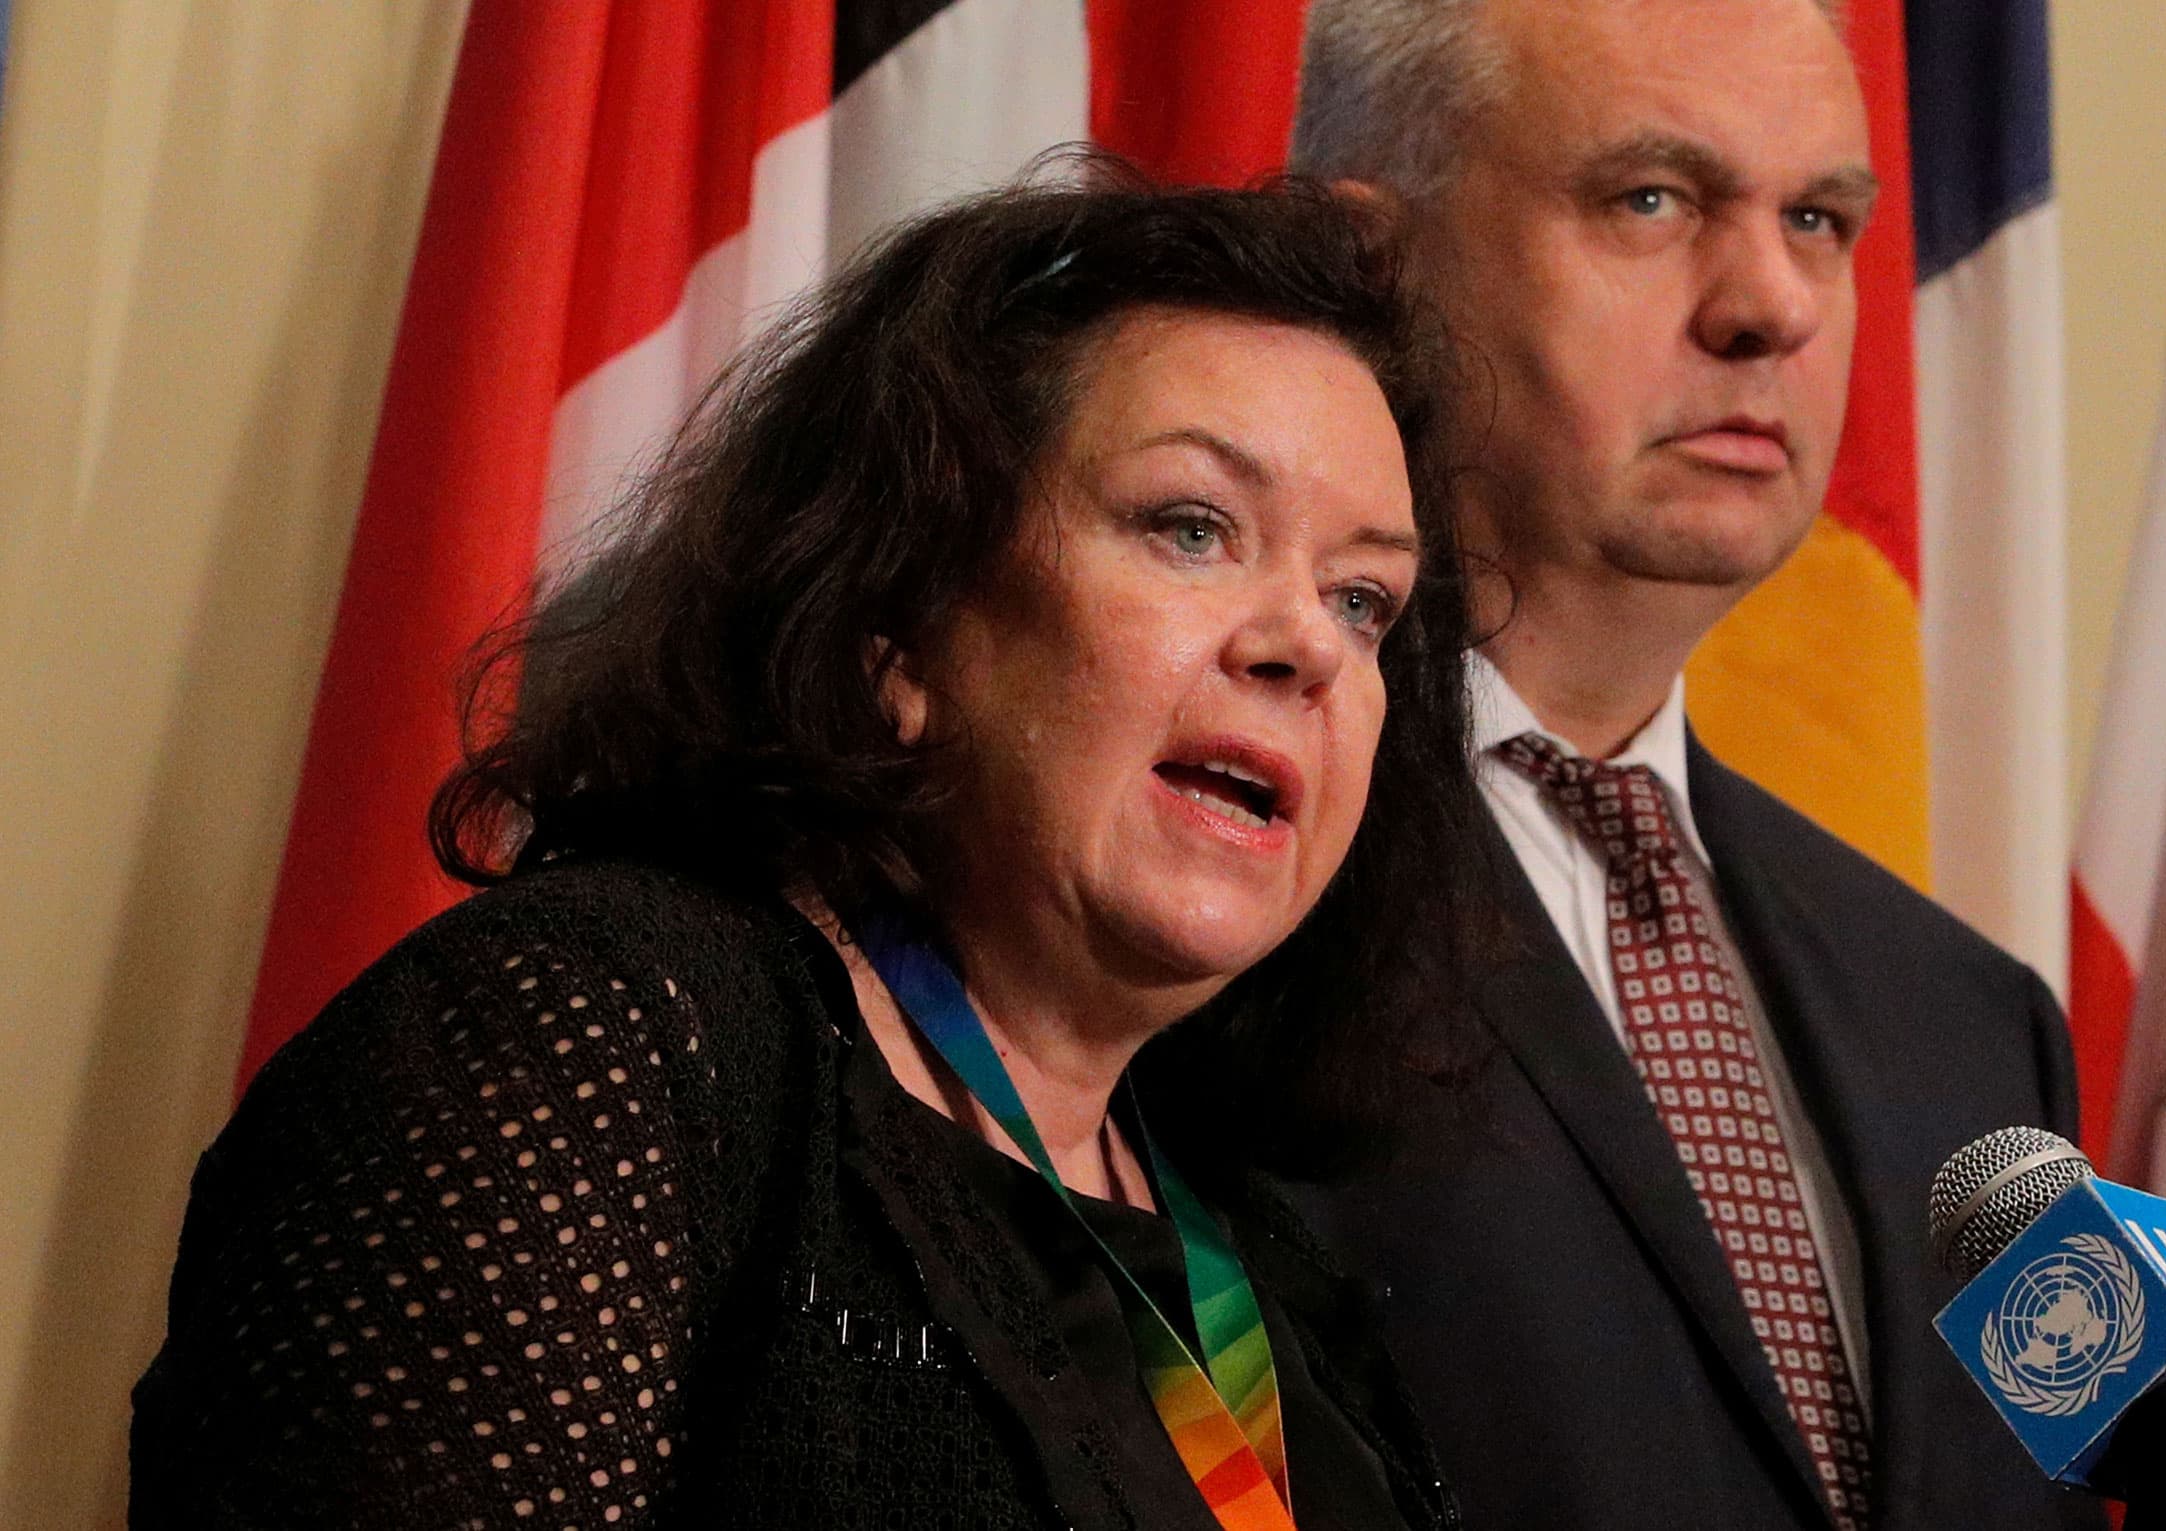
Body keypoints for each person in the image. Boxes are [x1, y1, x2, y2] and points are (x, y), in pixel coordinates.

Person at [132, 171, 1485, 1530]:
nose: (1309, 644)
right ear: (901, 622)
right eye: (1192, 528)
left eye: (1365, 598)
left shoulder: (1270, 1261)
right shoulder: (588, 1048)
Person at [1291, 4, 2103, 1528]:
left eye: (1818, 218)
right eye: (1651, 201)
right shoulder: (1201, 908)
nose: (1773, 307)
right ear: (1372, 266)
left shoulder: (1969, 1029)